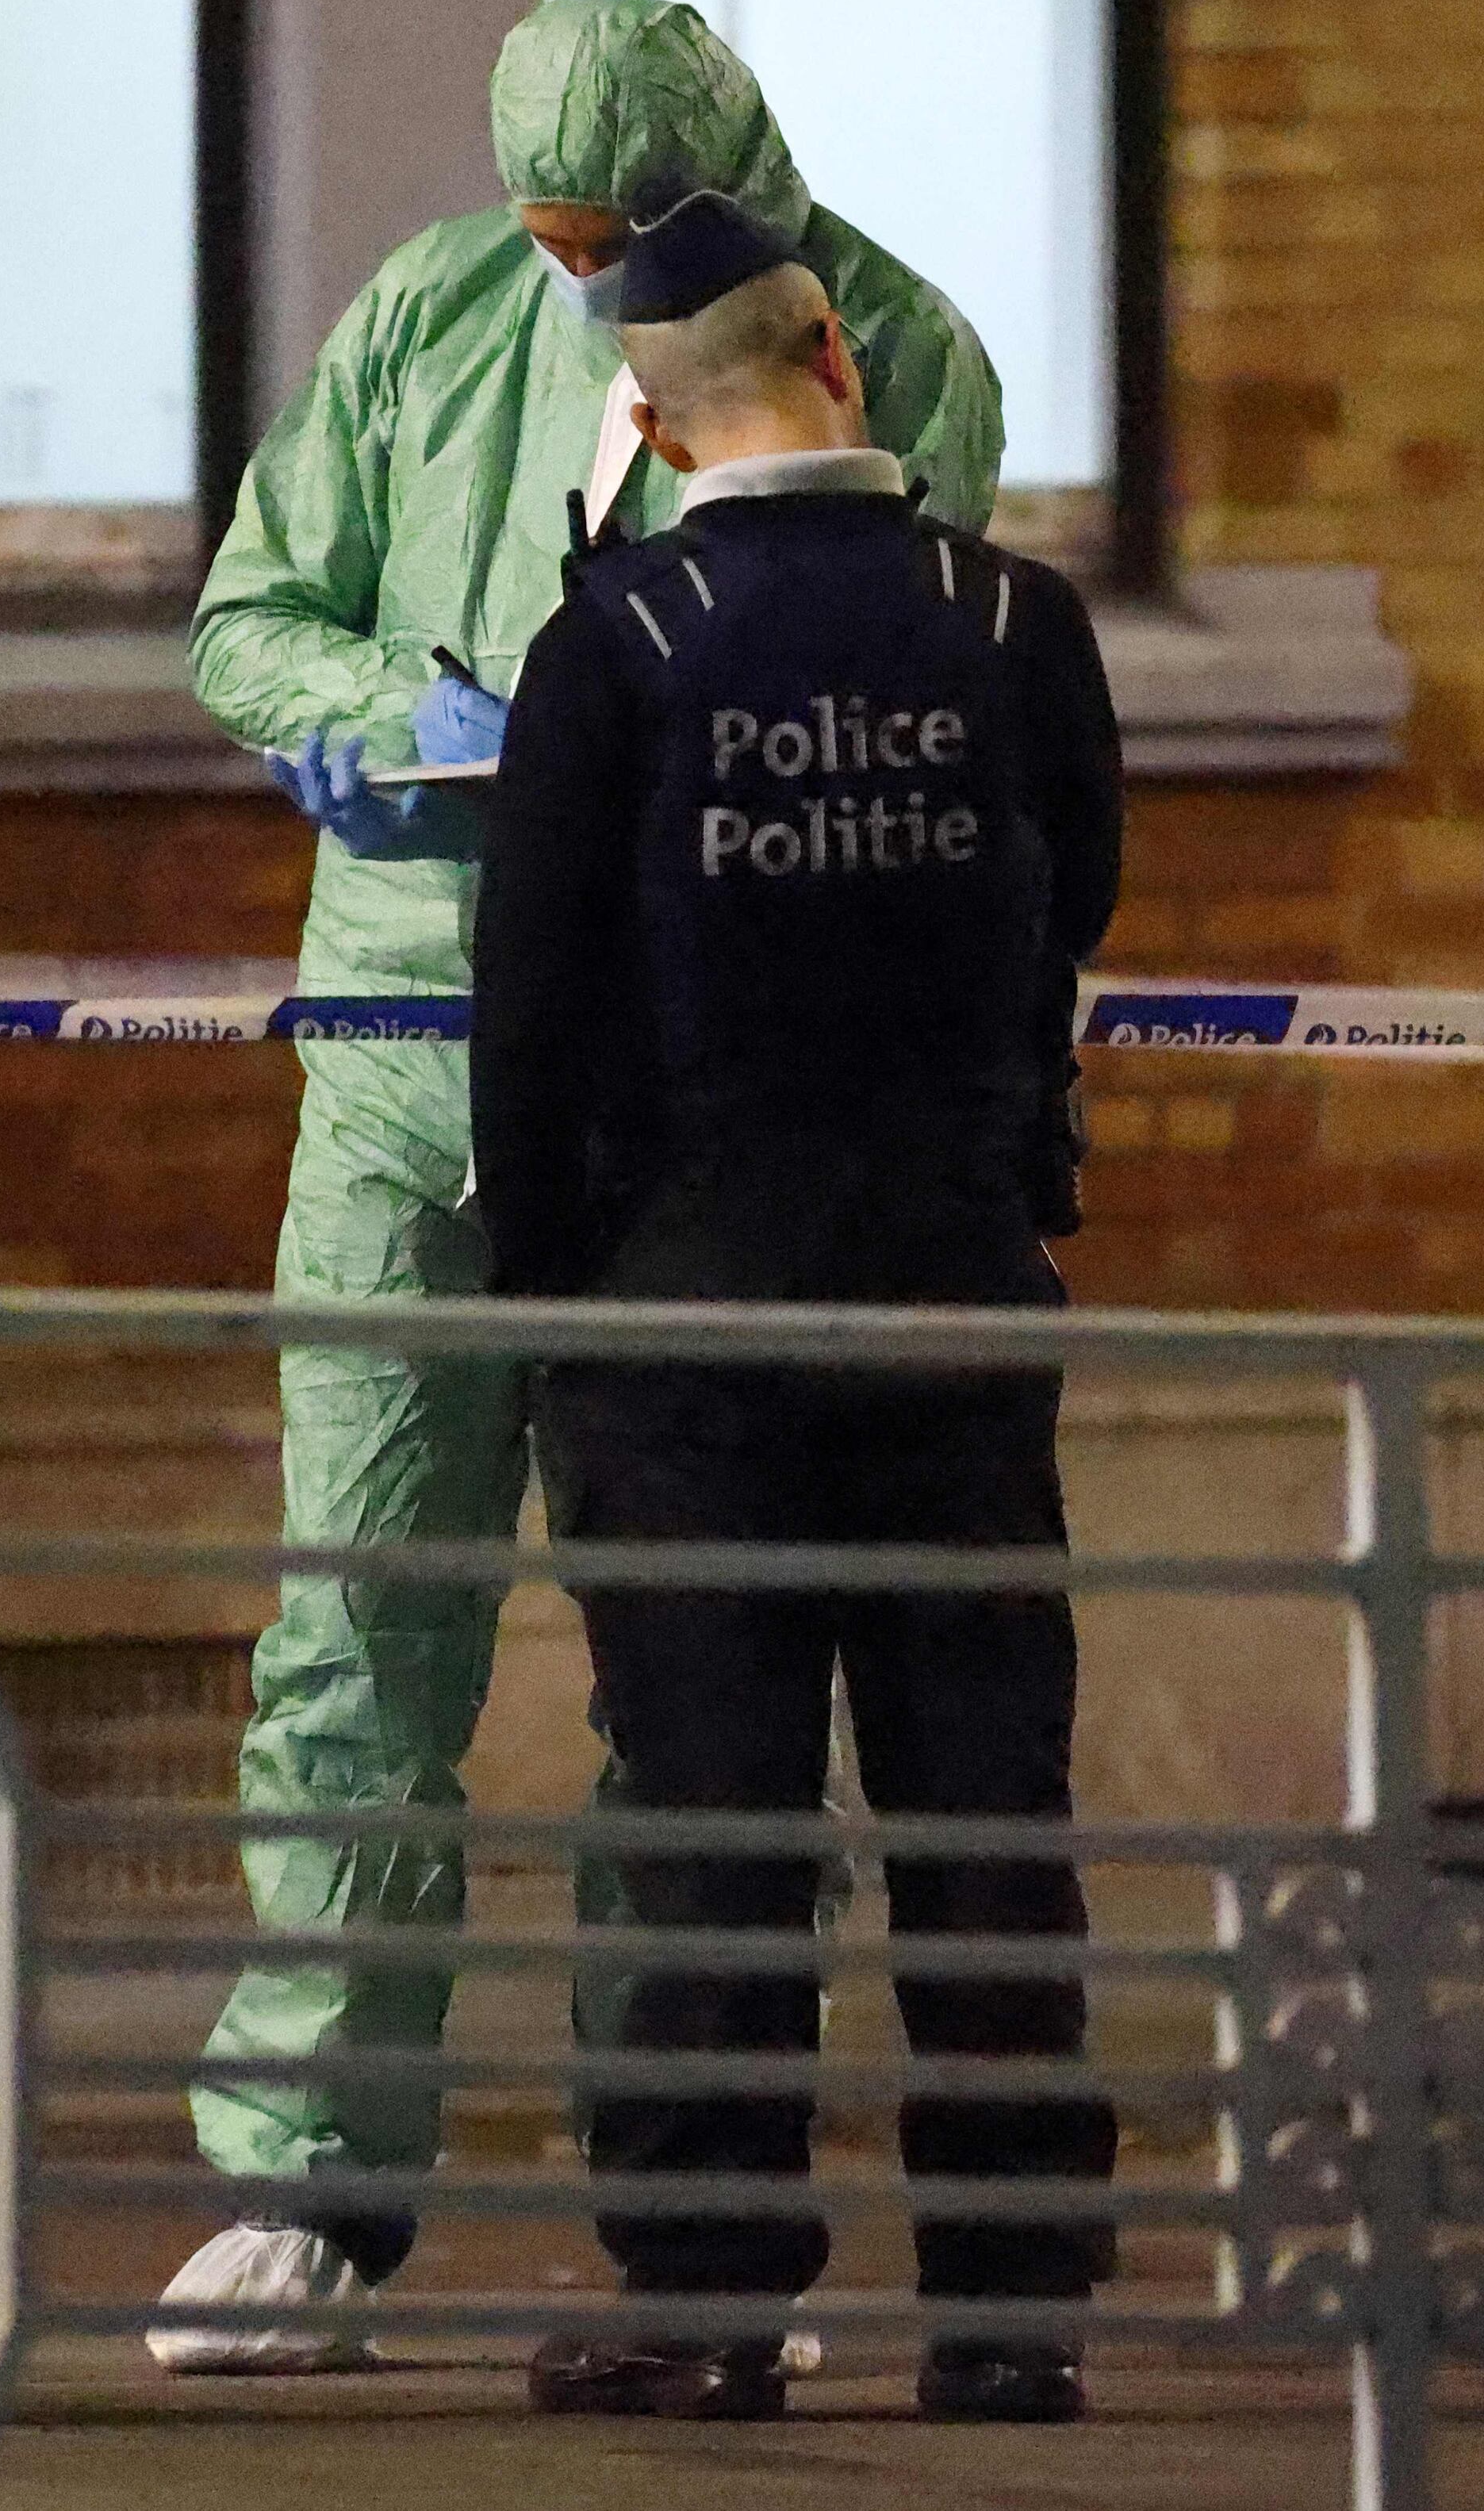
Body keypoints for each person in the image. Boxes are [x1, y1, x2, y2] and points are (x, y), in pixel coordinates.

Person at [153, 0, 1004, 2373]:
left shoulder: (894, 345)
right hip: (411, 1059)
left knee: (695, 1685)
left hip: (688, 1086)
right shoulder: (435, 317)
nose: (597, 290)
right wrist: (379, 725)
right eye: (568, 246)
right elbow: (251, 613)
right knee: (357, 1632)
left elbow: (897, 663)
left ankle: (693, 2231)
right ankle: (303, 2186)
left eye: (631, 248)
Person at [468, 186, 1125, 2425]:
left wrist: (548, 1307)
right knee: (977, 1800)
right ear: (837, 351)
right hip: (951, 1295)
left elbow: (527, 1020)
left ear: (646, 424)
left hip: (686, 1326)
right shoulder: (1011, 621)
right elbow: (1077, 901)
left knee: (712, 1814)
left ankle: (709, 2285)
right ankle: (1014, 2300)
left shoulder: (617, 646)